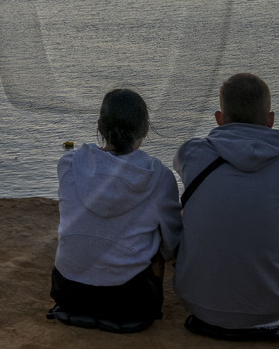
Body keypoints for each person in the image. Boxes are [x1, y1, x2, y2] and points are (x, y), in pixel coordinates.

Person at [174, 72, 279, 341]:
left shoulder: (191, 153)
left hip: (200, 307)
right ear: (270, 121)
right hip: (275, 312)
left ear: (219, 118)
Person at [48, 88, 182, 333]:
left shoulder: (68, 164)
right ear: (146, 128)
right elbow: (171, 244)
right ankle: (151, 307)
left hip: (67, 291)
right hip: (128, 301)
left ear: (99, 125)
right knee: (159, 241)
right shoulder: (159, 176)